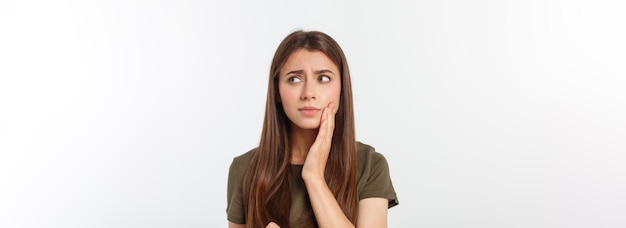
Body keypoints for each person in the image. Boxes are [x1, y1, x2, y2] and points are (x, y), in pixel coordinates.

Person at [226, 30, 398, 228]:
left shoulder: (369, 165)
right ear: (277, 91)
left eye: (323, 78)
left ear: (342, 89)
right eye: (294, 79)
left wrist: (314, 177)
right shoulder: (245, 168)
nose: (308, 93)